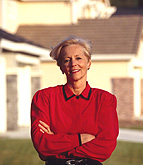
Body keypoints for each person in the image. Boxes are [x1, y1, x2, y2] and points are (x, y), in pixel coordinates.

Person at [31, 36, 119, 165]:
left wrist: (58, 147)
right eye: (67, 60)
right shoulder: (44, 98)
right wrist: (80, 139)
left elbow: (106, 147)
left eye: (78, 58)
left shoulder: (105, 100)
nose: (73, 64)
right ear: (60, 66)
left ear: (88, 63)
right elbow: (42, 145)